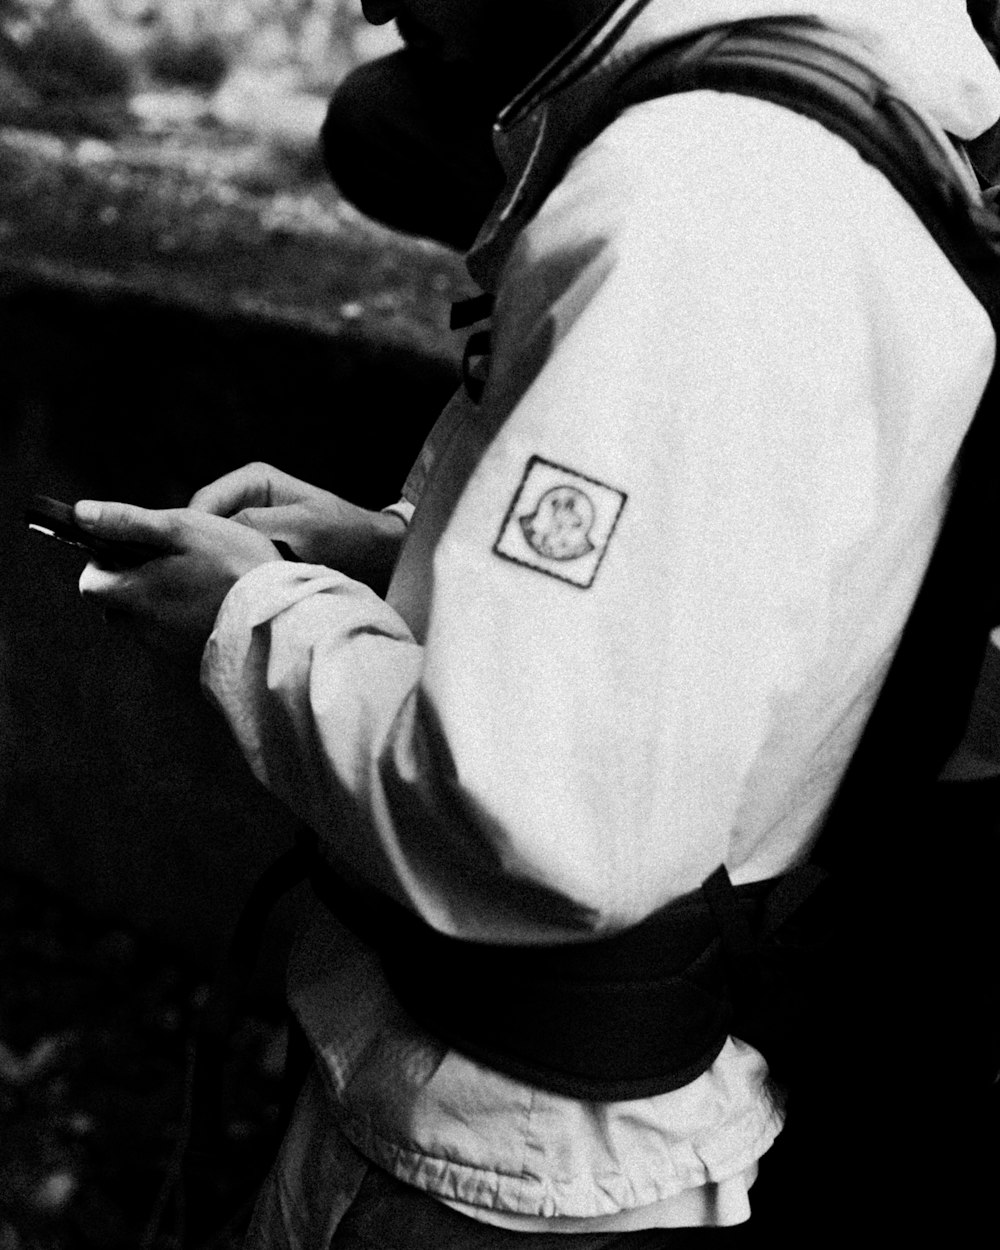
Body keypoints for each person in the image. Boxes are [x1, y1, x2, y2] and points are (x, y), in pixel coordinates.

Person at [73, 1, 1000, 1245]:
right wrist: (400, 552)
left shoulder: (694, 203)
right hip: (558, 1126)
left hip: (498, 1157)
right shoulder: (808, 137)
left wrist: (247, 611)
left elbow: (542, 811)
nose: (371, 3)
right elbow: (711, 598)